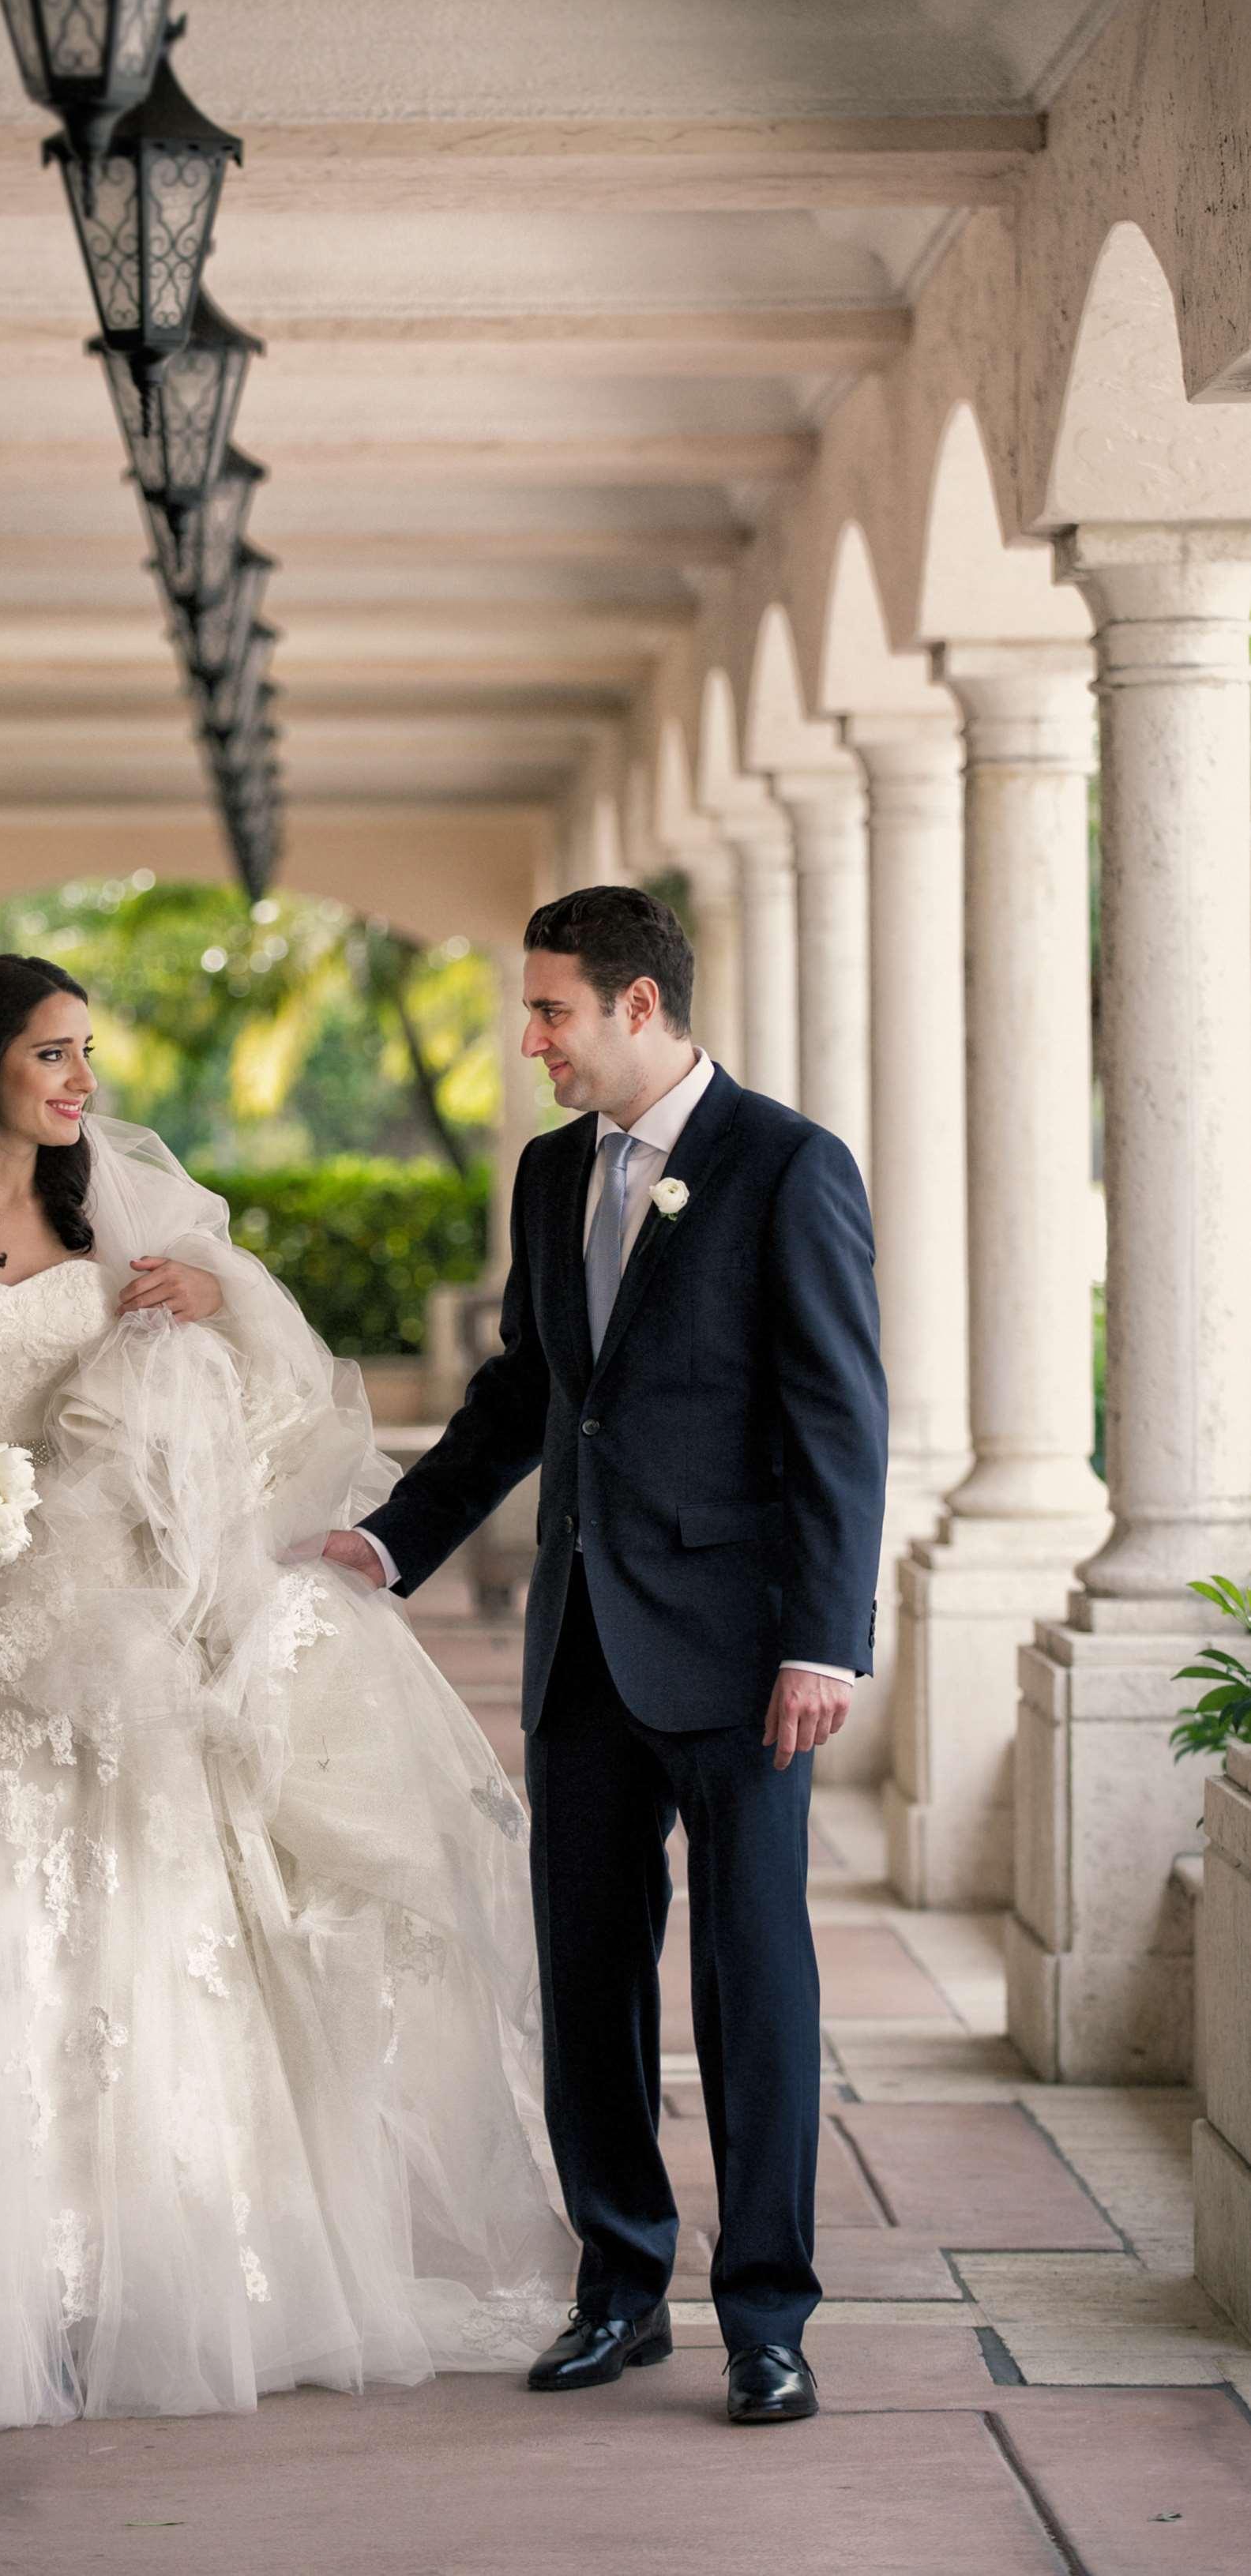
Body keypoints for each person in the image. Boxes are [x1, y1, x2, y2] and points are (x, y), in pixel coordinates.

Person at [0, 954, 571, 2434]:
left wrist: (215, 1304)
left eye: (87, 1055)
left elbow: (252, 1418)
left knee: (136, 1957)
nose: (79, 1083)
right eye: (51, 1054)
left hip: (115, 1645)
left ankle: (148, 2287)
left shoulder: (114, 1234)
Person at [322, 885, 887, 2427]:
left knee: (755, 1988)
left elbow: (842, 1418)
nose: (532, 1041)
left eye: (554, 1010)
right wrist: (396, 1536)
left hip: (750, 1659)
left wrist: (827, 1639)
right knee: (588, 1983)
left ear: (640, 1006)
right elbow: (530, 1390)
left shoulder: (787, 1164)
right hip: (583, 1651)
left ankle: (768, 2315)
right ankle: (621, 2288)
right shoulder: (549, 1172)